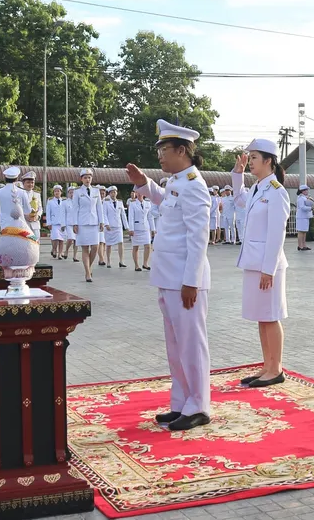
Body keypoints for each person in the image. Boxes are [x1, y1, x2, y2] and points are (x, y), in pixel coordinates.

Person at [126, 120, 212, 431]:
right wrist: (145, 184)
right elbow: (165, 201)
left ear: (182, 151)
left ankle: (199, 405)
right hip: (169, 277)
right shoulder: (177, 182)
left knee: (191, 344)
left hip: (185, 281)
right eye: (159, 150)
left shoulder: (194, 186)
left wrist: (192, 281)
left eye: (165, 150)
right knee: (176, 347)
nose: (160, 155)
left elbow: (198, 237)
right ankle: (181, 403)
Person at [232, 139, 291, 387]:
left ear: (268, 160)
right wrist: (238, 174)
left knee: (271, 315)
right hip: (254, 262)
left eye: (254, 157)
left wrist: (269, 269)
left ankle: (275, 368)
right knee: (261, 316)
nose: (251, 161)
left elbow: (277, 233)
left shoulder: (277, 191)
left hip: (268, 265)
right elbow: (238, 199)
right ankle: (266, 365)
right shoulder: (258, 188)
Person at [71, 170, 104, 282]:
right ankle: (87, 273)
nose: (87, 179)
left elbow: (99, 207)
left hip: (94, 222)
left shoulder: (96, 191)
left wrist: (102, 221)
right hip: (82, 223)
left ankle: (89, 268)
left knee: (95, 247)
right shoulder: (77, 192)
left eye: (89, 177)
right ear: (81, 179)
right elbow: (75, 209)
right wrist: (75, 223)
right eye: (85, 177)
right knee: (85, 248)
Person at [103, 186, 128, 268]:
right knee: (109, 244)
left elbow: (123, 215)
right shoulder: (106, 202)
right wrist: (106, 224)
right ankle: (108, 261)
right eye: (112, 192)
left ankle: (121, 261)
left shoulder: (120, 203)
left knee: (120, 242)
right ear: (109, 194)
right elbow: (104, 214)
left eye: (115, 192)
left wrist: (126, 227)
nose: (113, 194)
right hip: (109, 226)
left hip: (118, 226)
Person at [129, 192, 152, 271]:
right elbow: (131, 217)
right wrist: (131, 229)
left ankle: (145, 263)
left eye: (141, 193)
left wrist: (153, 229)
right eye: (137, 193)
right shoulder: (133, 204)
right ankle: (136, 265)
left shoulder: (148, 203)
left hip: (145, 227)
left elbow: (150, 217)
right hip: (136, 228)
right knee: (136, 247)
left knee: (148, 246)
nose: (139, 194)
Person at [20, 172, 43, 245]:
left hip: (35, 223)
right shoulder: (19, 194)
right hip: (24, 223)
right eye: (28, 182)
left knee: (35, 243)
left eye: (32, 182)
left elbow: (40, 208)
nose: (30, 184)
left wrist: (38, 216)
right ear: (23, 183)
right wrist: (24, 216)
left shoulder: (37, 194)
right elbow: (17, 208)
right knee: (24, 244)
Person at [46, 185, 66, 260]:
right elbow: (48, 213)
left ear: (61, 192)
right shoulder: (50, 201)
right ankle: (54, 249)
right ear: (53, 193)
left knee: (61, 239)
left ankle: (60, 254)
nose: (57, 192)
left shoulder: (64, 201)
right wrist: (49, 223)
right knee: (55, 239)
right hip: (54, 223)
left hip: (62, 223)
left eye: (58, 191)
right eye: (55, 191)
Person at [295, 185, 314, 251]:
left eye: (307, 190)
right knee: (301, 231)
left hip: (305, 216)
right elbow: (302, 207)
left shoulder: (305, 198)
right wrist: (310, 208)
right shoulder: (300, 198)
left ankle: (304, 245)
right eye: (305, 190)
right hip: (301, 217)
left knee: (304, 231)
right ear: (302, 191)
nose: (307, 191)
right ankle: (300, 245)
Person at [63, 186, 78, 262]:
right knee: (71, 238)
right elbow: (63, 214)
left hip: (77, 223)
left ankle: (75, 256)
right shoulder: (65, 202)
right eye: (71, 192)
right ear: (68, 193)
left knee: (77, 241)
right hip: (69, 223)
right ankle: (66, 250)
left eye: (73, 192)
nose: (72, 194)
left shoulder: (78, 201)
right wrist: (63, 224)